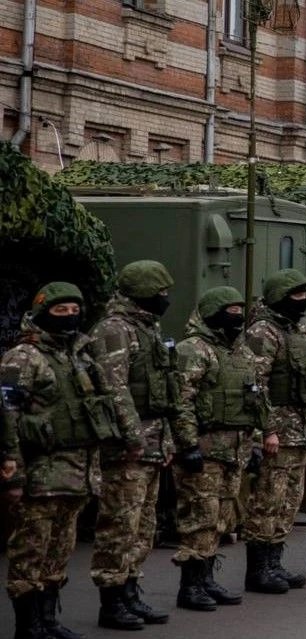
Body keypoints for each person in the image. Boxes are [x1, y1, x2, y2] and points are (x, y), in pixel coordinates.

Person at [2, 283, 134, 639]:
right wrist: (11, 467)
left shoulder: (78, 356)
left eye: (75, 309)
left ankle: (47, 619)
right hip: (41, 473)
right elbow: (6, 415)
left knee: (60, 549)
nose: (70, 316)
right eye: (61, 311)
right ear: (43, 312)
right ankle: (28, 625)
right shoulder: (23, 357)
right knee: (31, 549)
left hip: (77, 471)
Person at [88, 260, 176, 630]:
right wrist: (132, 436)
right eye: (161, 293)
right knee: (120, 523)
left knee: (143, 524)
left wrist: (166, 438)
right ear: (141, 293)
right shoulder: (114, 329)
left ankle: (130, 590)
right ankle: (111, 599)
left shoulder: (148, 328)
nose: (166, 299)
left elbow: (163, 390)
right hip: (128, 446)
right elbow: (114, 388)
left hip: (152, 440)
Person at [171, 287, 265, 610]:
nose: (238, 317)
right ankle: (191, 585)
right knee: (200, 516)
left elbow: (253, 402)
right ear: (213, 313)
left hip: (234, 450)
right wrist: (187, 443)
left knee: (222, 518)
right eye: (231, 311)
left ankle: (207, 579)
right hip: (205, 451)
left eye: (242, 311)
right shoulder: (193, 350)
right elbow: (181, 401)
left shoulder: (241, 352)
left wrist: (253, 444)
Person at [242, 268, 306, 593]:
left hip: (300, 429)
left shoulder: (297, 329)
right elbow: (255, 385)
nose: (304, 300)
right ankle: (258, 569)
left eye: (305, 294)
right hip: (279, 433)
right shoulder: (264, 332)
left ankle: (274, 562)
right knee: (268, 500)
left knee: (289, 499)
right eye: (297, 295)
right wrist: (268, 430)